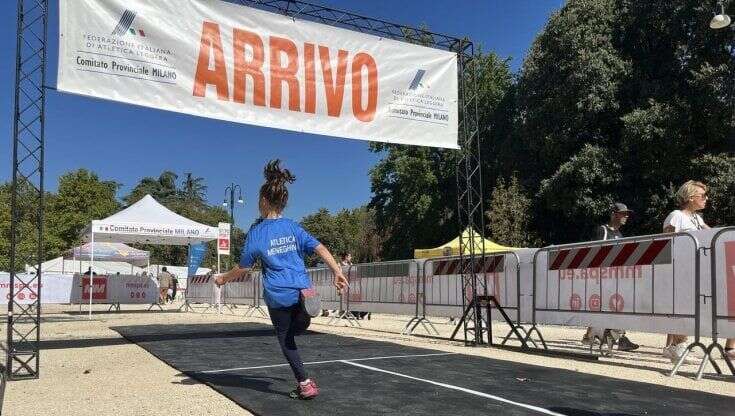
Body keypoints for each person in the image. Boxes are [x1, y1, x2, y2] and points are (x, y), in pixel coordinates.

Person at [215, 160, 348, 400]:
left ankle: (305, 384)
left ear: (263, 202)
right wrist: (337, 270)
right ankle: (306, 311)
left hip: (278, 294)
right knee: (299, 326)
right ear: (283, 202)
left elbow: (244, 268)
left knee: (286, 341)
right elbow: (320, 248)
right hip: (301, 287)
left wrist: (223, 278)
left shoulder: (256, 233)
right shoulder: (294, 227)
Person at [660, 181, 735, 362]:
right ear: (690, 198)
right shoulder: (676, 216)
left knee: (690, 307)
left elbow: (714, 235)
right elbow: (666, 241)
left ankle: (675, 347)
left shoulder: (697, 219)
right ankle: (679, 346)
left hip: (696, 269)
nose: (706, 199)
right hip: (681, 269)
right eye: (703, 195)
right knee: (683, 307)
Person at [581, 203, 639, 352]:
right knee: (608, 307)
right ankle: (615, 338)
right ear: (614, 214)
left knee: (612, 306)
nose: (626, 216)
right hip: (602, 277)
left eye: (627, 214)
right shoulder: (602, 230)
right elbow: (593, 253)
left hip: (614, 277)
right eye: (623, 213)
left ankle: (593, 336)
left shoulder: (620, 235)